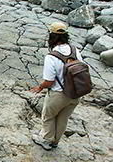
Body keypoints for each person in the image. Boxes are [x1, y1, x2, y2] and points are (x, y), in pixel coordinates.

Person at [30, 22, 82, 150]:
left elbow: (49, 81)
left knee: (48, 116)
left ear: (51, 36)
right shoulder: (75, 50)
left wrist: (40, 87)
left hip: (58, 94)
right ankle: (55, 142)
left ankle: (46, 141)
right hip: (75, 93)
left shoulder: (51, 56)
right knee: (63, 118)